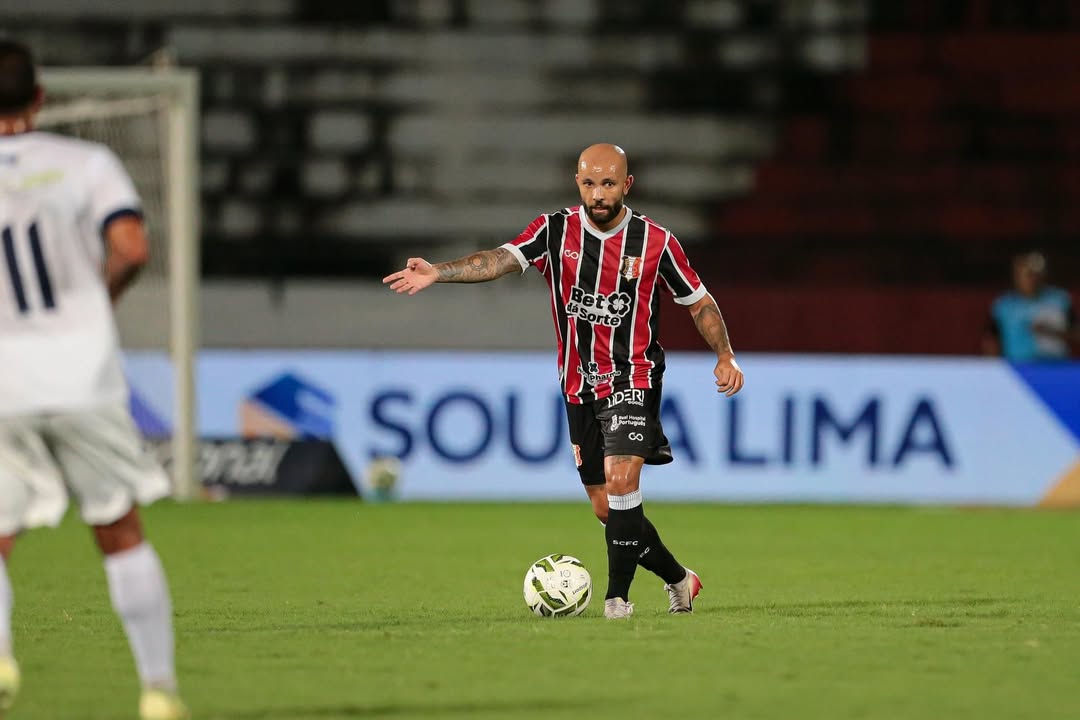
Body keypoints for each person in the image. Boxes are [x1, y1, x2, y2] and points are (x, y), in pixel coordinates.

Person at [383, 143, 745, 619]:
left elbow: (698, 302)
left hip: (632, 375)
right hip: (578, 385)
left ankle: (618, 599)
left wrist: (724, 354)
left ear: (627, 186)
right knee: (605, 507)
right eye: (590, 183)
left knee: (621, 480)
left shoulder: (655, 241)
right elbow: (500, 259)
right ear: (578, 183)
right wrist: (439, 273)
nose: (598, 193)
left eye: (609, 183)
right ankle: (680, 578)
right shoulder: (555, 230)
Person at [0, 40, 188, 719]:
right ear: (40, 97)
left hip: (3, 380)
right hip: (82, 372)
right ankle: (158, 691)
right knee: (119, 529)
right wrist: (93, 300)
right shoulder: (85, 163)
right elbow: (132, 246)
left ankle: (0, 655)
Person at [983, 251, 1077, 361]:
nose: (1031, 279)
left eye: (1035, 274)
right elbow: (991, 340)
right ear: (1016, 275)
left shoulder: (1060, 300)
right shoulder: (1003, 305)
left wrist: (1053, 332)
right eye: (1026, 274)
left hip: (1056, 366)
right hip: (1018, 368)